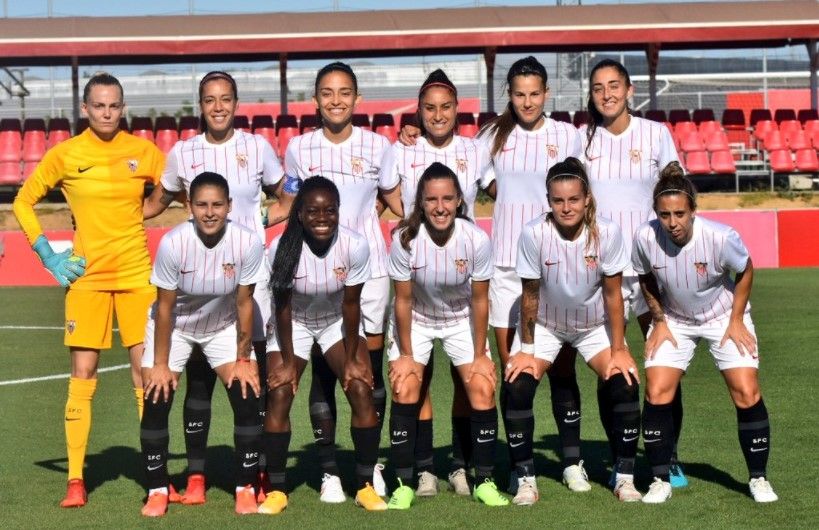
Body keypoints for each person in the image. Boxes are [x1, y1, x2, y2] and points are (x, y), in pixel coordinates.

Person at [12, 73, 165, 508]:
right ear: (84, 108)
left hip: (138, 279)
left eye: (114, 105)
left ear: (123, 106)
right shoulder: (65, 154)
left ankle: (156, 477)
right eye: (98, 106)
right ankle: (76, 480)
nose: (106, 113)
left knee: (147, 379)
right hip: (87, 281)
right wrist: (48, 255)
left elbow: (179, 187)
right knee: (82, 378)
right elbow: (24, 201)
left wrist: (147, 211)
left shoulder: (144, 151)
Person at [143, 70, 295, 504]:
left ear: (236, 102)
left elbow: (287, 192)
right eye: (210, 100)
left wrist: (263, 221)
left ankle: (258, 474)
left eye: (225, 99)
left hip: (247, 278)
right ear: (201, 105)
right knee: (195, 383)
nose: (218, 107)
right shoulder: (183, 153)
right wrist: (116, 221)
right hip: (196, 282)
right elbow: (158, 201)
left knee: (251, 379)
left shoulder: (257, 147)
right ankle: (195, 476)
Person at [284, 61, 401, 501]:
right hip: (314, 273)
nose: (336, 100)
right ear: (315, 99)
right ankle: (329, 469)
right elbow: (289, 203)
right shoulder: (299, 148)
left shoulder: (378, 146)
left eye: (344, 92)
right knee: (323, 369)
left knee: (367, 371)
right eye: (327, 92)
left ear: (357, 98)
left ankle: (370, 467)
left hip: (368, 273)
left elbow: (393, 199)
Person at [474, 56, 586, 500]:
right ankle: (523, 471)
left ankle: (572, 461)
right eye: (518, 94)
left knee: (561, 366)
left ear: (546, 94)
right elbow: (484, 180)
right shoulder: (491, 135)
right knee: (515, 373)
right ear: (509, 94)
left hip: (556, 265)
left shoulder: (566, 134)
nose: (526, 101)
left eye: (534, 93)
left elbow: (577, 190)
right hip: (505, 266)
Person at [633, 163, 778, 504]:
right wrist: (660, 320)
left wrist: (737, 319)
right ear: (656, 213)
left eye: (680, 213)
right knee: (656, 391)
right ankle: (660, 479)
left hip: (722, 316)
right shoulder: (644, 237)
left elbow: (745, 270)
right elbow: (645, 277)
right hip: (675, 320)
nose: (673, 223)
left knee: (746, 391)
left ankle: (758, 478)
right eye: (665, 214)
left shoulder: (721, 237)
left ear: (693, 210)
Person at [380, 69, 495, 496]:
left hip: (462, 284)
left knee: (471, 382)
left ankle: (463, 466)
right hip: (420, 276)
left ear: (457, 109)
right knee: (416, 381)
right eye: (429, 108)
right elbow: (388, 197)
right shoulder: (401, 149)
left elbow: (501, 187)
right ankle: (422, 469)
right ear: (418, 111)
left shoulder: (475, 149)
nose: (438, 115)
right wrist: (407, 222)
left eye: (446, 107)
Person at [505, 157, 641, 505]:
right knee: (517, 386)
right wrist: (527, 348)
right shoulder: (533, 233)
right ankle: (524, 479)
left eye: (574, 199)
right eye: (558, 200)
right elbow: (530, 294)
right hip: (547, 326)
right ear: (548, 201)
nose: (566, 207)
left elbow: (612, 293)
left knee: (624, 382)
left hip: (592, 326)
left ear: (587, 199)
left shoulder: (607, 233)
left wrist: (620, 345)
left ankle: (623, 476)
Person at [581, 58, 685, 489]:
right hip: (604, 271)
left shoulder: (656, 134)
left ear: (629, 91)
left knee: (665, 360)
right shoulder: (582, 139)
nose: (606, 94)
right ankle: (617, 451)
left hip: (651, 266)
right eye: (598, 88)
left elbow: (677, 187)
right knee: (614, 366)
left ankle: (669, 456)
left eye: (613, 86)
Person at [139, 171, 264, 517]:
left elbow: (244, 303)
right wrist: (161, 365)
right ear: (189, 207)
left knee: (247, 393)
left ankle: (245, 487)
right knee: (156, 394)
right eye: (202, 205)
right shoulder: (173, 243)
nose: (210, 212)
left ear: (229, 206)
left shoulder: (248, 243)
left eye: (217, 205)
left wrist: (242, 358)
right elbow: (164, 308)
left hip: (221, 326)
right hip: (175, 328)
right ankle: (157, 489)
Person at [260, 176, 386, 513]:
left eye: (330, 210)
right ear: (299, 214)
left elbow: (350, 305)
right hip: (294, 323)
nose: (322, 217)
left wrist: (352, 358)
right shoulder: (281, 248)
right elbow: (283, 309)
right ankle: (276, 489)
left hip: (334, 321)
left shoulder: (355, 245)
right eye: (313, 211)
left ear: (339, 212)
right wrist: (287, 361)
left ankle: (364, 485)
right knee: (280, 391)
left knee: (360, 385)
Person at [385, 162, 506, 509]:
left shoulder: (476, 240)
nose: (440, 207)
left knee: (482, 386)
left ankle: (482, 480)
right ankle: (405, 482)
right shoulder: (405, 240)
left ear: (459, 202)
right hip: (417, 320)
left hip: (461, 319)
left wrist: (482, 353)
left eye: (447, 199)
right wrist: (406, 355)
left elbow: (481, 298)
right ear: (420, 203)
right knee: (406, 385)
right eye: (432, 199)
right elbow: (403, 300)